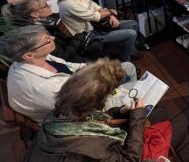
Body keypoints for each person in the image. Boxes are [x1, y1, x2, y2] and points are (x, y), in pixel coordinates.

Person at [0, 25, 137, 124]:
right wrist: (115, 90)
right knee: (140, 95)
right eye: (47, 40)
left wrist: (96, 69)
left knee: (127, 67)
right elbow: (86, 110)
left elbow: (70, 66)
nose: (53, 37)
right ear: (29, 55)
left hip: (83, 89)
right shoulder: (43, 88)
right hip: (86, 112)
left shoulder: (35, 59)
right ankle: (135, 118)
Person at [24, 58, 147, 162]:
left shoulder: (57, 114)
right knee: (159, 115)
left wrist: (120, 111)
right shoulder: (88, 148)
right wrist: (138, 118)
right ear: (98, 102)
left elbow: (91, 119)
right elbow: (129, 160)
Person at [56, 0, 137, 62]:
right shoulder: (67, 4)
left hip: (96, 27)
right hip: (89, 37)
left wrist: (110, 16)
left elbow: (97, 7)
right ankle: (125, 61)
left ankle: (128, 51)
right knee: (131, 34)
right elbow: (95, 16)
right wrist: (110, 12)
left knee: (132, 23)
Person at [2, 0, 87, 62]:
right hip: (72, 59)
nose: (49, 5)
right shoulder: (38, 34)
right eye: (45, 5)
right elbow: (64, 56)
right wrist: (79, 36)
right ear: (35, 14)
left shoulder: (51, 19)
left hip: (79, 48)